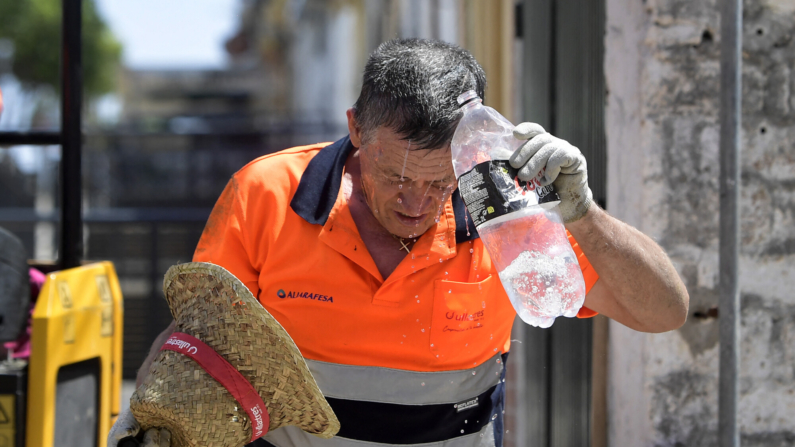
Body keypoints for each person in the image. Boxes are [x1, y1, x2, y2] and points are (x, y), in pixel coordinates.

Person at [109, 38, 689, 447]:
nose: (417, 203)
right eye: (396, 178)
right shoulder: (269, 191)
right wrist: (140, 424)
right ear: (356, 127)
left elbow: (664, 312)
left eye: (440, 182)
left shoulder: (508, 208)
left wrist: (584, 214)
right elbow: (200, 337)